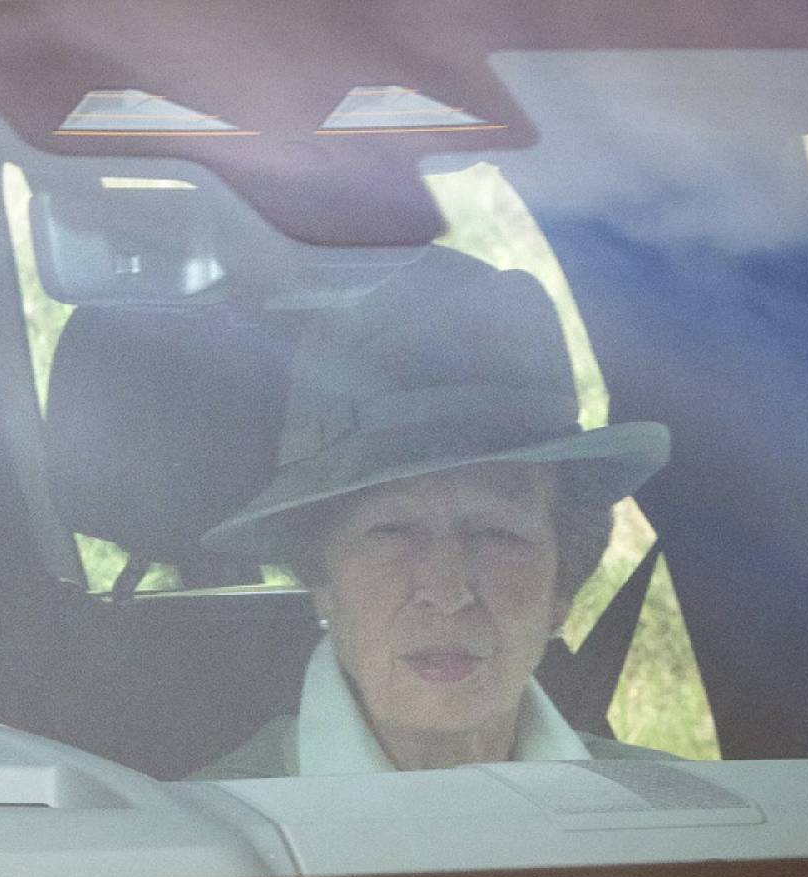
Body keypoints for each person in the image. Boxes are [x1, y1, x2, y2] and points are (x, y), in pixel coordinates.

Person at [190, 248, 671, 777]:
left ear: (561, 590)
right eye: (393, 532)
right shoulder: (197, 825)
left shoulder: (685, 817)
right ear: (322, 577)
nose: (446, 593)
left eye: (497, 535)